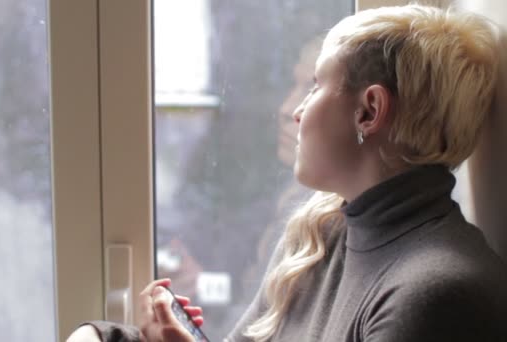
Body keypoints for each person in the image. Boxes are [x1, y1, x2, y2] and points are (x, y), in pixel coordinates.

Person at [69, 4, 507, 341]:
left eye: (316, 85)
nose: (294, 111)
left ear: (369, 110)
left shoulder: (438, 294)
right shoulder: (324, 232)